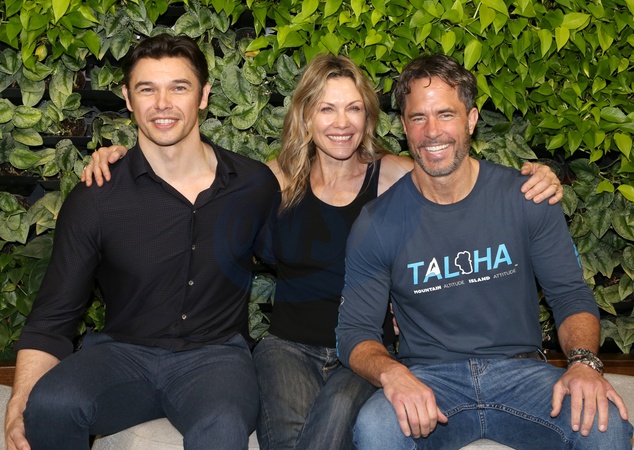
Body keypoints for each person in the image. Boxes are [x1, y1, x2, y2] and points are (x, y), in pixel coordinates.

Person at [82, 54, 562, 450]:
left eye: (354, 109)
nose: (341, 123)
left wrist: (536, 177)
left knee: (335, 418)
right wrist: (123, 156)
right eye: (327, 109)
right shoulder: (272, 179)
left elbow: (454, 171)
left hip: (366, 349)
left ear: (368, 117)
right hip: (287, 346)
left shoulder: (393, 174)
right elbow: (193, 183)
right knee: (287, 437)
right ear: (306, 116)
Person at [335, 53, 633, 450]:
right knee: (376, 428)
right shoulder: (377, 223)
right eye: (418, 118)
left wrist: (583, 363)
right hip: (429, 380)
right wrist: (393, 374)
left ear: (471, 119)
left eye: (446, 114)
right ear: (404, 126)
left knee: (605, 426)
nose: (432, 132)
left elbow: (570, 295)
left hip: (522, 374)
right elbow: (354, 332)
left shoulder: (526, 197)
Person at [4, 34, 278, 450]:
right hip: (122, 353)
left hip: (217, 358)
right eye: (147, 89)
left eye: (179, 88)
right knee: (50, 404)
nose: (162, 103)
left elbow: (293, 258)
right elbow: (52, 318)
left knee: (222, 426)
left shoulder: (252, 184)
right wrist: (19, 402)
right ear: (128, 99)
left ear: (204, 96)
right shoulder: (97, 196)